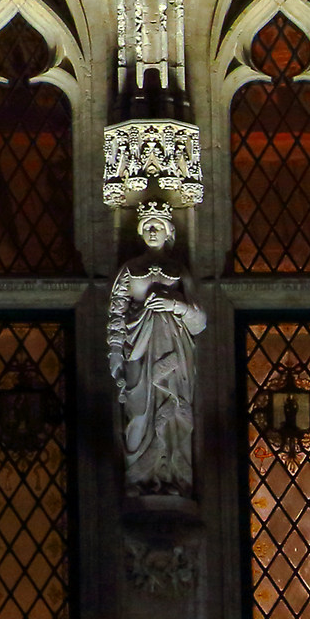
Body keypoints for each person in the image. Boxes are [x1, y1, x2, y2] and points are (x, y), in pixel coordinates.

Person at [110, 207, 206, 495]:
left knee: (173, 412)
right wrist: (115, 351)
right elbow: (116, 314)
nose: (153, 230)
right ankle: (139, 478)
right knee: (138, 413)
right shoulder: (128, 270)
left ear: (169, 232)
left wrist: (175, 305)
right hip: (136, 349)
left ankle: (175, 476)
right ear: (140, 232)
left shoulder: (179, 271)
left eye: (158, 225)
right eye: (148, 225)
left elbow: (200, 321)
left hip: (175, 352)